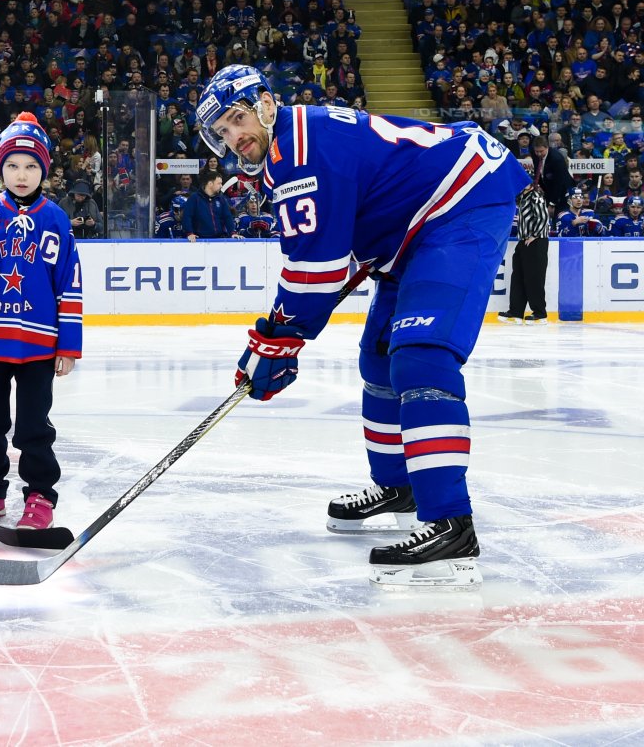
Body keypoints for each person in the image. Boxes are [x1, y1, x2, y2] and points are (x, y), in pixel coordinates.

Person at [197, 64, 530, 589]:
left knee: (422, 355)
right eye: (222, 133)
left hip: (462, 201)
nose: (235, 138)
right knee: (378, 356)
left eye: (238, 119)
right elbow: (335, 261)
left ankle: (451, 525)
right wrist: (283, 337)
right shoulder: (286, 148)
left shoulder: (300, 153)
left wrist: (277, 340)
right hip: (407, 232)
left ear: (264, 104)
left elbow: (316, 271)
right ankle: (400, 486)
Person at [0, 112, 83, 531]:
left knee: (32, 427)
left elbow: (69, 283)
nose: (21, 175)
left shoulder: (56, 219)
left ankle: (40, 495)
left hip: (39, 344)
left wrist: (69, 346)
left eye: (30, 166)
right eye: (12, 166)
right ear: (0, 168)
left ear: (44, 169)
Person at [498, 175, 550, 324]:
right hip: (524, 241)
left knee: (534, 278)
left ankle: (540, 313)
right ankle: (516, 311)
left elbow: (543, 217)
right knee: (518, 277)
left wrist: (535, 235)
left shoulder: (536, 196)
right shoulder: (522, 198)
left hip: (536, 241)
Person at [185, 167, 234, 240]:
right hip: (200, 240)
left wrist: (232, 233)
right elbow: (187, 216)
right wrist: (189, 233)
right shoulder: (194, 198)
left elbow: (227, 217)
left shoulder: (221, 199)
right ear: (210, 184)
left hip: (219, 239)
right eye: (219, 183)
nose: (221, 186)